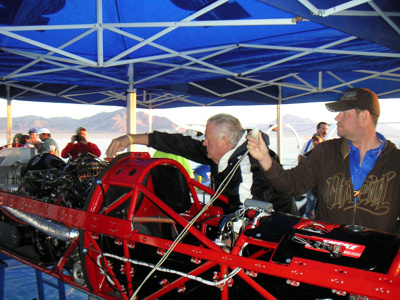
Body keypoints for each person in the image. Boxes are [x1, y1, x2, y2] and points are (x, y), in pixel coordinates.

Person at [247, 87, 400, 234]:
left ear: (363, 116)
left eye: (344, 112)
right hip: (329, 252)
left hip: (377, 256)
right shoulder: (325, 152)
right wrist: (264, 158)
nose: (337, 117)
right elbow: (292, 184)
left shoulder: (396, 161)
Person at [106, 113, 297, 214]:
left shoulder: (250, 163)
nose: (204, 142)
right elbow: (180, 141)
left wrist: (231, 237)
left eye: (208, 139)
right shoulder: (219, 149)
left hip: (275, 235)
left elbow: (247, 206)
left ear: (225, 142)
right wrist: (131, 139)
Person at [301, 133, 324, 219]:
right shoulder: (307, 155)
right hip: (311, 184)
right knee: (309, 206)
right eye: (314, 140)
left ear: (322, 141)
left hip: (322, 184)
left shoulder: (328, 155)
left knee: (321, 206)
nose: (316, 142)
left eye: (318, 140)